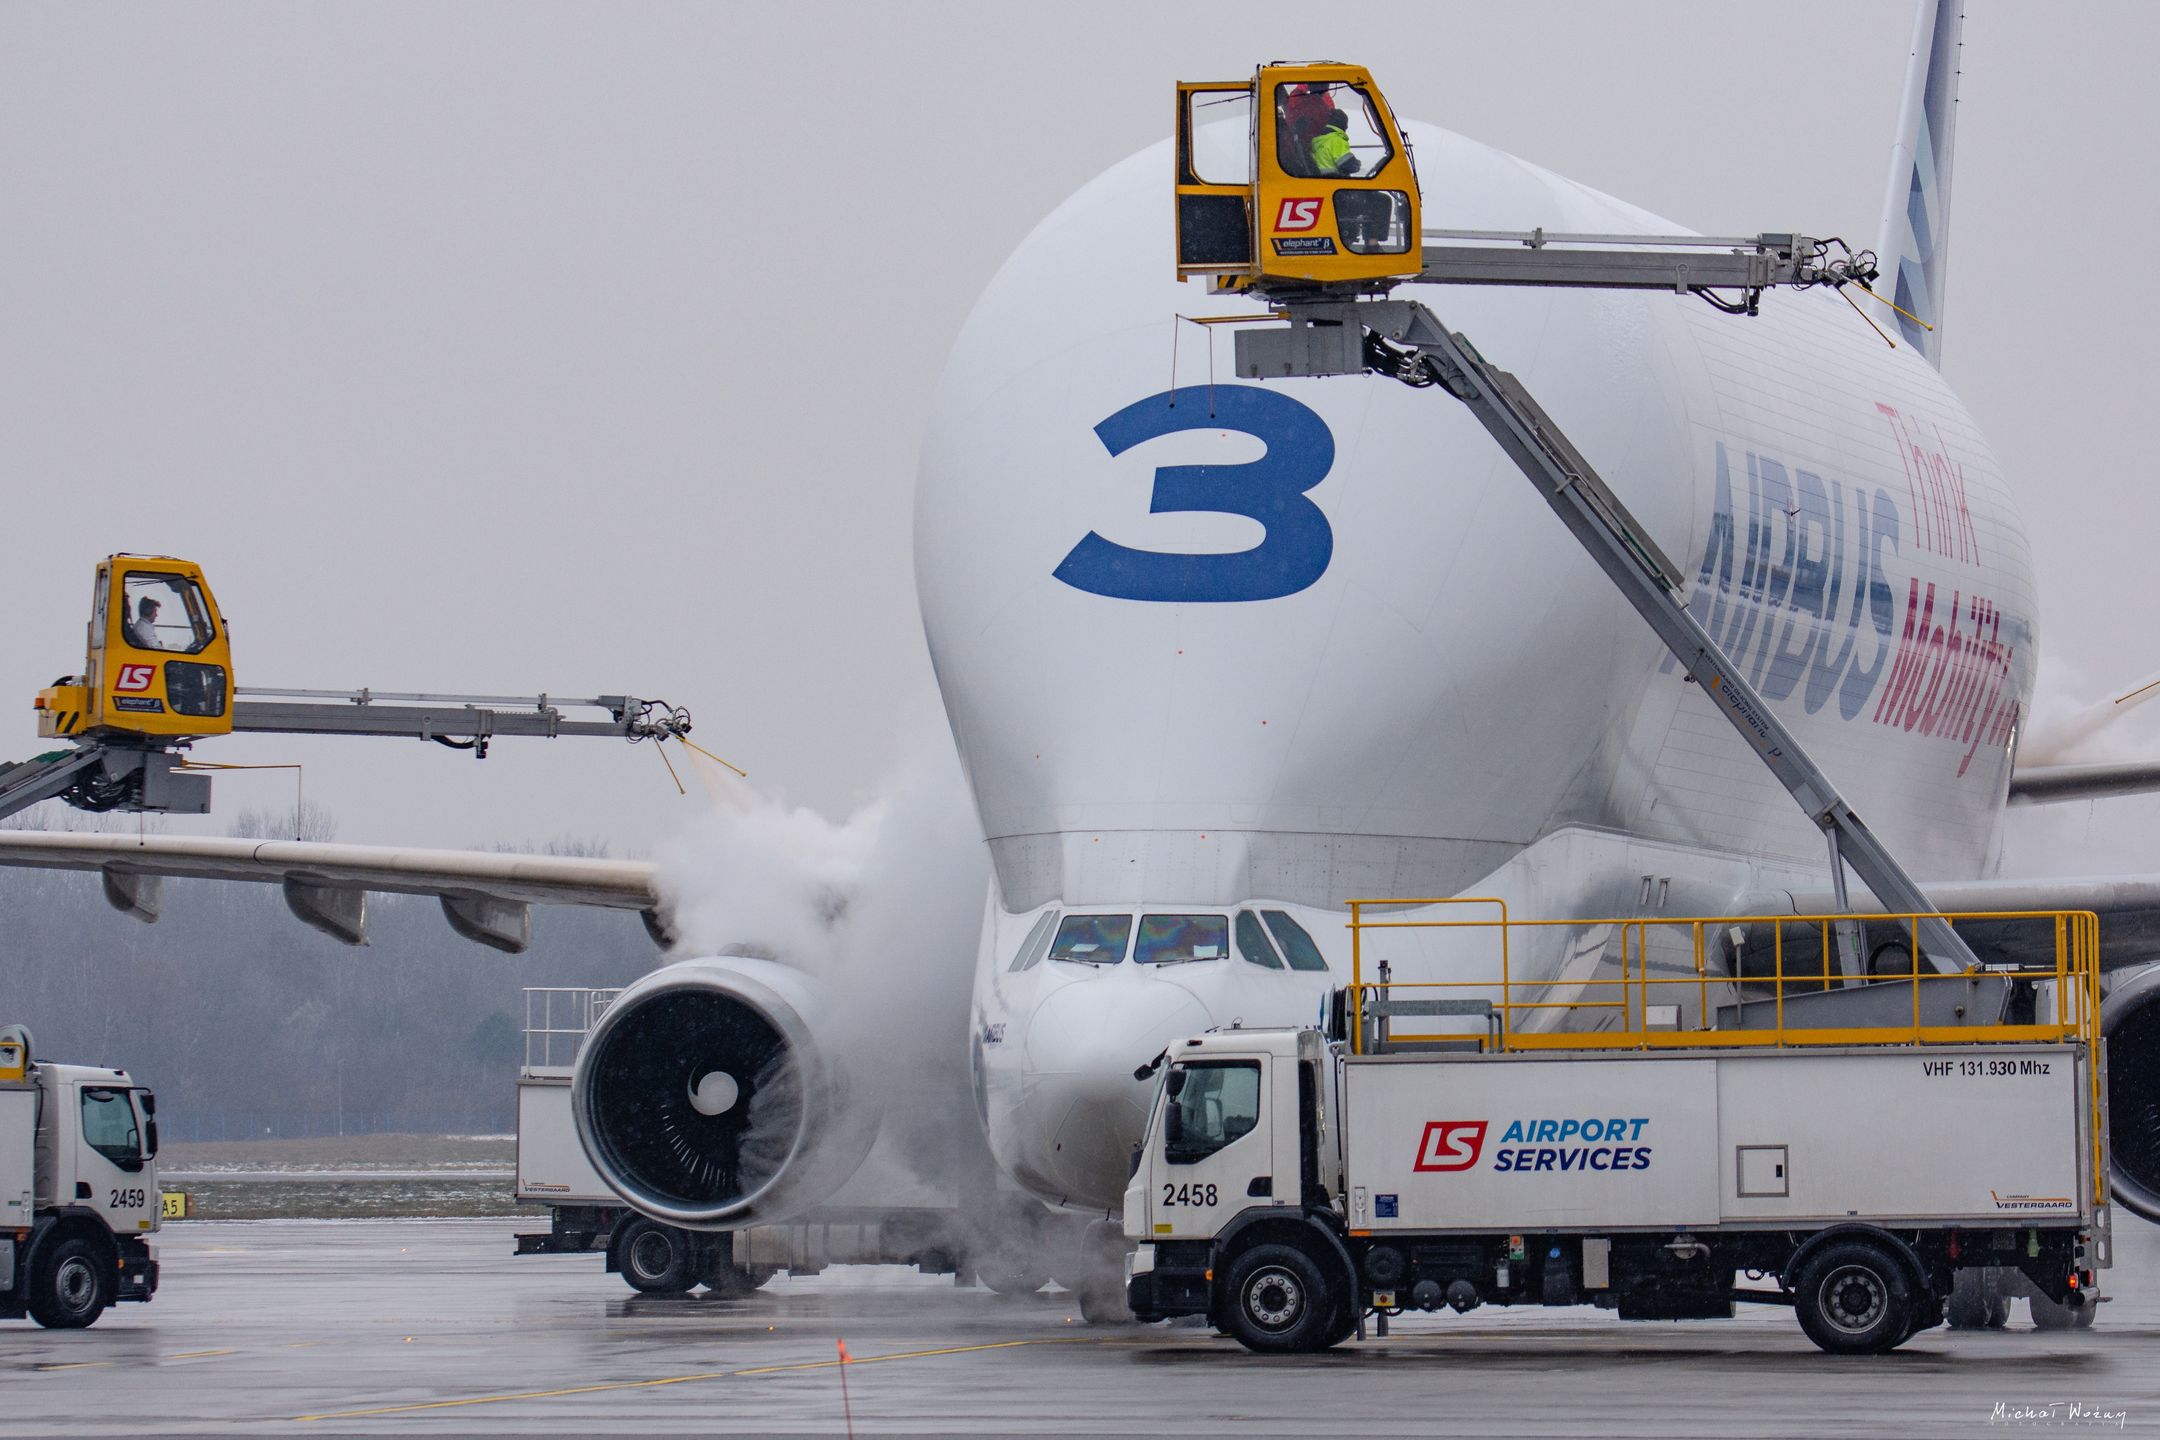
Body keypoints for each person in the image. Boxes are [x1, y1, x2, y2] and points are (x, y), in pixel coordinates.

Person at [1310, 108, 1359, 177]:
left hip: (1321, 181)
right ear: (1343, 124)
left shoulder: (1317, 139)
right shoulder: (1336, 140)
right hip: (1335, 180)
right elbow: (1349, 166)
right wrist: (1357, 164)